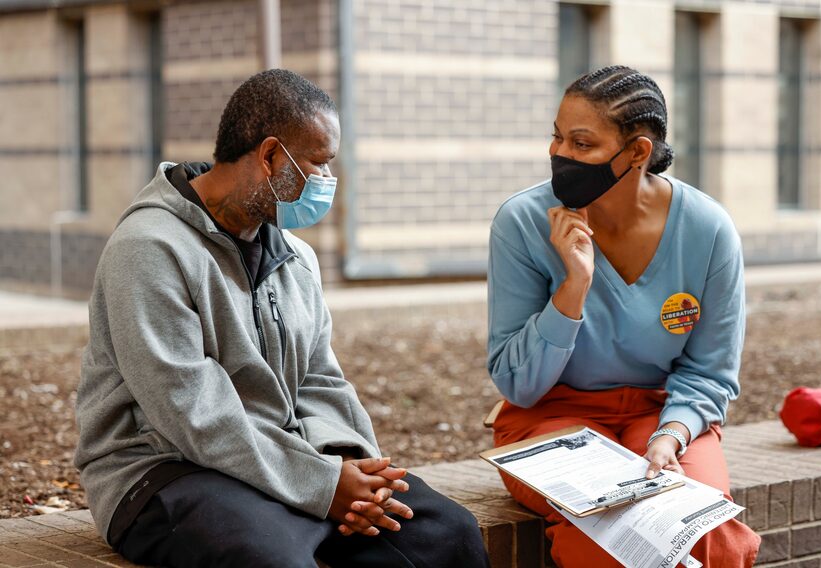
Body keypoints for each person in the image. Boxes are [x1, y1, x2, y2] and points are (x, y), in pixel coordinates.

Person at [74, 69, 489, 568]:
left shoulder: (296, 256)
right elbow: (191, 413)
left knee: (447, 534)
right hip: (162, 472)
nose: (327, 182)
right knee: (272, 557)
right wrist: (322, 484)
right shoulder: (148, 250)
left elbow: (319, 378)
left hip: (288, 460)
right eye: (319, 163)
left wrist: (350, 470)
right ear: (270, 156)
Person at [487, 65, 761, 567]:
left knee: (706, 531)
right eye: (557, 137)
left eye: (582, 143)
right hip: (549, 419)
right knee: (609, 535)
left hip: (661, 413)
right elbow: (518, 384)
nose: (560, 155)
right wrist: (574, 287)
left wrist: (671, 434)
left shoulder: (708, 229)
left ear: (637, 152)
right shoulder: (521, 222)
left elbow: (710, 373)